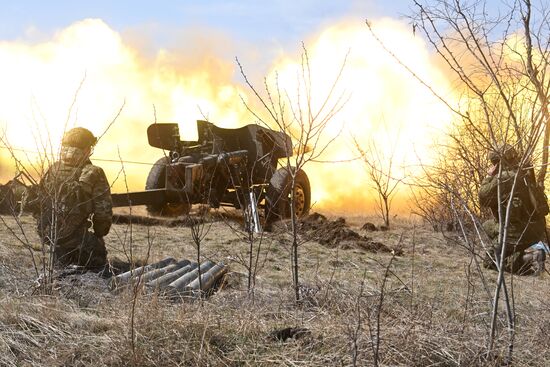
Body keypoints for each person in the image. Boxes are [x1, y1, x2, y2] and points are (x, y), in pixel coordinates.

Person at [34, 127, 112, 270]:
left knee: (61, 257)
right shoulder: (94, 172)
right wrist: (99, 234)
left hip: (49, 234)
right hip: (77, 238)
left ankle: (60, 261)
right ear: (87, 149)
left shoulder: (53, 169)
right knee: (98, 263)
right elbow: (103, 211)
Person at [478, 143, 547, 275]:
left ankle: (529, 258)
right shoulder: (526, 172)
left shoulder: (506, 177)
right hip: (536, 230)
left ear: (500, 162)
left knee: (490, 262)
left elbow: (483, 197)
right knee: (487, 225)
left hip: (518, 231)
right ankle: (522, 250)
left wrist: (489, 176)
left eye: (494, 162)